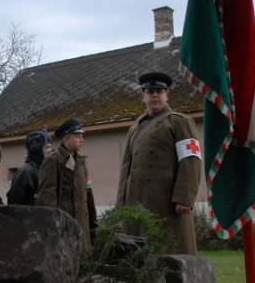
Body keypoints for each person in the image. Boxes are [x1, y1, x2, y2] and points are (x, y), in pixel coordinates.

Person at [116, 71, 202, 255]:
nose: (155, 95)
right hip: (136, 201)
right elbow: (126, 169)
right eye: (150, 92)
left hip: (165, 202)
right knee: (136, 255)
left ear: (167, 95)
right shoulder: (135, 128)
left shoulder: (179, 122)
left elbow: (190, 160)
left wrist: (184, 197)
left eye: (159, 91)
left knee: (169, 253)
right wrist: (121, 204)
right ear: (143, 96)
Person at [37, 118, 96, 252]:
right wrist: (53, 227)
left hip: (82, 228)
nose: (82, 140)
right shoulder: (53, 160)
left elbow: (88, 195)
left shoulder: (81, 163)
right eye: (77, 137)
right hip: (63, 227)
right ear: (66, 139)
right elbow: (46, 198)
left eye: (82, 137)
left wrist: (93, 225)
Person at [6, 130, 52, 206]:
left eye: (50, 147)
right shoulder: (25, 172)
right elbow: (15, 204)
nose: (50, 151)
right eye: (47, 147)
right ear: (36, 149)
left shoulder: (47, 169)